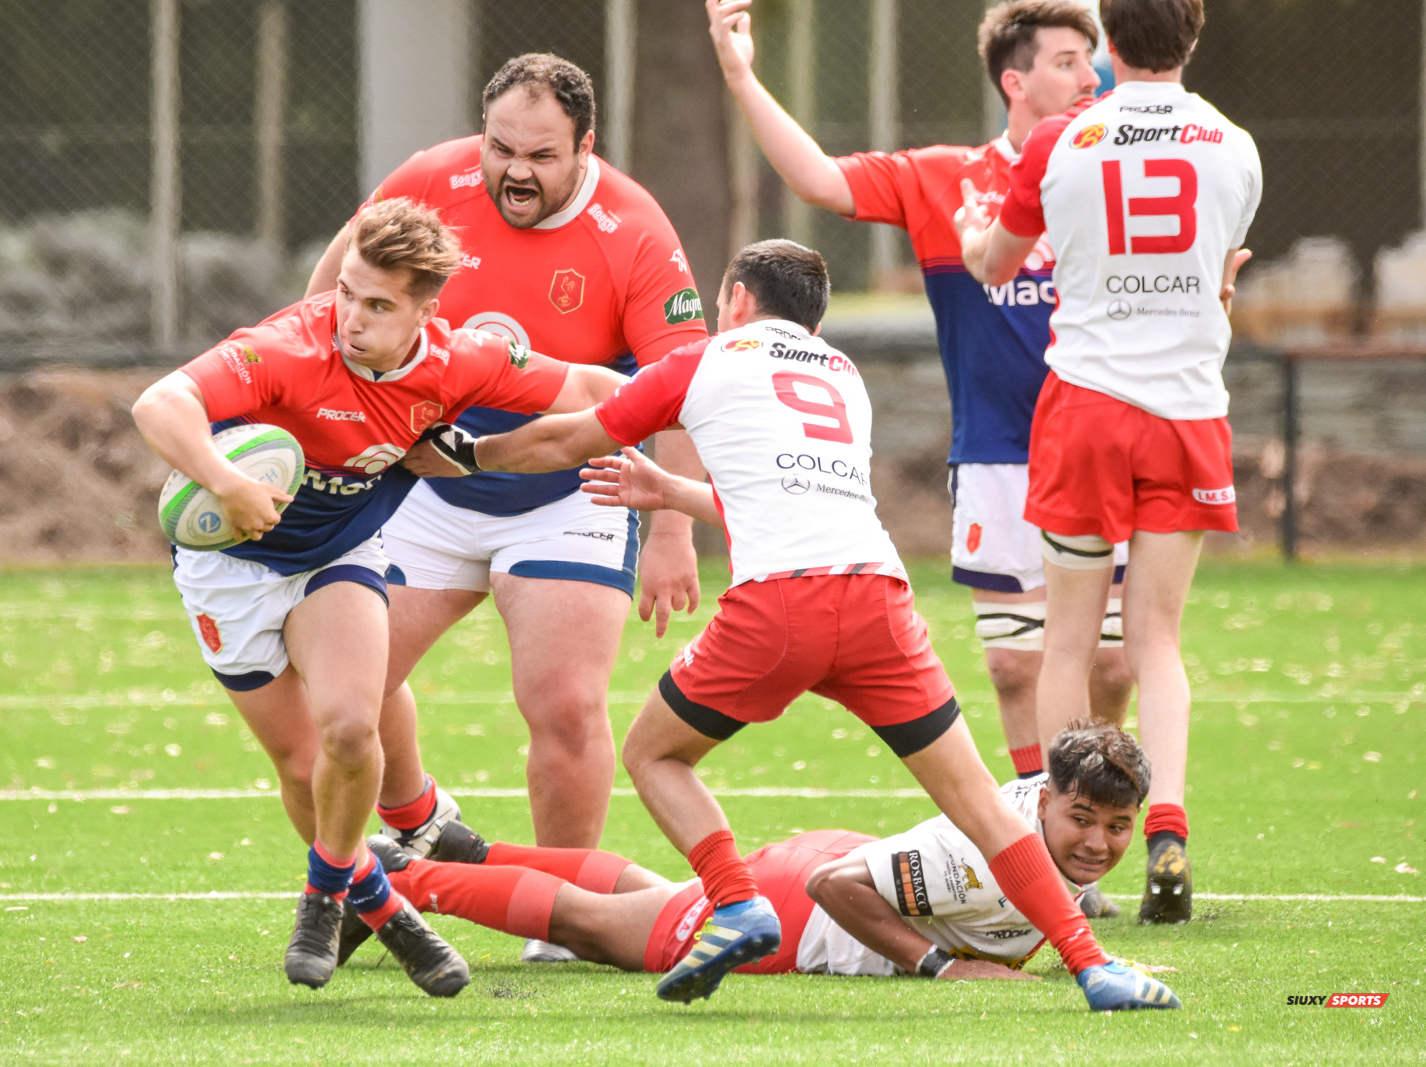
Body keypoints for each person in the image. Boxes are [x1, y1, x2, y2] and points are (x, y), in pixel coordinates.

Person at [406, 239, 1176, 1011]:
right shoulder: (845, 377)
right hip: (879, 600)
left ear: (737, 298)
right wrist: (671, 489)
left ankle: (738, 903)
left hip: (779, 606)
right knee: (978, 802)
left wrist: (466, 453)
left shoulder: (705, 358)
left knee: (652, 755)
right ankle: (1094, 967)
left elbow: (566, 438)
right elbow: (783, 501)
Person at [130, 198, 628, 995]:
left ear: (426, 313)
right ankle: (379, 902)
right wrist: (226, 481)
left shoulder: (459, 361)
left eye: (378, 305)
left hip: (340, 557)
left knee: (354, 733)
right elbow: (160, 404)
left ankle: (325, 893)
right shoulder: (287, 347)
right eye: (347, 294)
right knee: (302, 770)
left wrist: (691, 404)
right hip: (230, 570)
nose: (349, 318)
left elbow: (589, 388)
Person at [706, 2, 1137, 907]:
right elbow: (821, 179)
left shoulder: (1108, 175)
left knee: (1112, 667)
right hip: (995, 456)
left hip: (1101, 447)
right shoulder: (948, 178)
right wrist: (743, 74)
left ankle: (1094, 811)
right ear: (1015, 82)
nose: (1089, 78)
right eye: (1067, 62)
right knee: (1018, 664)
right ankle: (1048, 852)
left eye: (1092, 61)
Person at [304, 57, 710, 962]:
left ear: (585, 150)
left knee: (564, 705)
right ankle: (414, 824)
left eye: (541, 155)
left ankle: (560, 918)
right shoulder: (427, 181)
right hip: (423, 479)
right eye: (499, 148)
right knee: (341, 693)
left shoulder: (634, 229)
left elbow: (683, 386)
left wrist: (673, 530)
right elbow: (325, 296)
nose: (514, 171)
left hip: (571, 489)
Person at [958, 0, 1261, 924]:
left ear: (1108, 47)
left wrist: (975, 238)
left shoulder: (1060, 137)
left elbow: (999, 262)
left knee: (1068, 642)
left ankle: (1066, 863)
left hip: (1085, 410)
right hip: (1185, 414)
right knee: (1156, 639)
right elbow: (1219, 276)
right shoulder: (1234, 145)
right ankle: (1163, 824)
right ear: (1194, 35)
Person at [367, 723, 1166, 1000]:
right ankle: (396, 877)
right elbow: (835, 887)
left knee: (655, 893)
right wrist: (941, 969)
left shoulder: (1040, 805)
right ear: (1050, 797)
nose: (1098, 842)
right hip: (802, 904)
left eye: (1119, 826)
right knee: (603, 929)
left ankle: (474, 850)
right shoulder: (986, 856)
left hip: (836, 858)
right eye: (1083, 820)